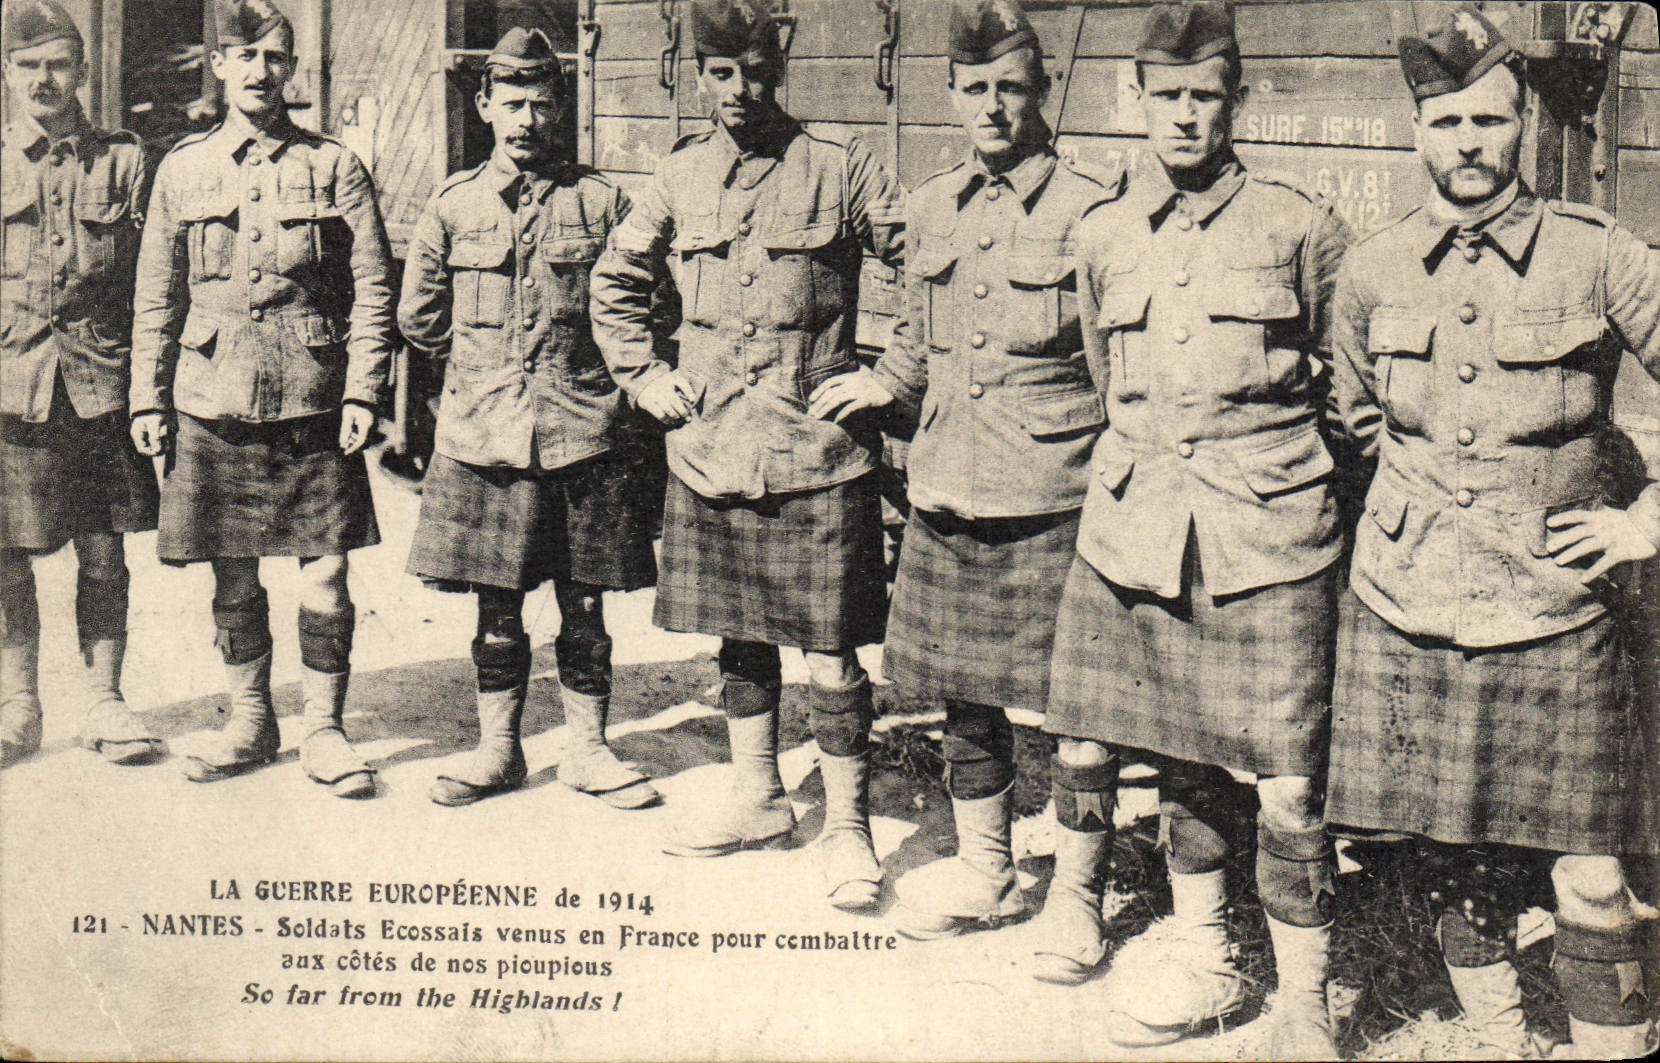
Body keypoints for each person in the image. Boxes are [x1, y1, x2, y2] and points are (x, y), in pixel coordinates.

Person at [1327, 6, 1660, 1057]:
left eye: (1489, 119)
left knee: (1590, 871)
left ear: (1523, 125)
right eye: (1446, 122)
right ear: (1416, 131)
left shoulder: (1595, 254)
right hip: (1409, 603)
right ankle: (1498, 1034)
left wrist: (1646, 518)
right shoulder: (1373, 266)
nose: (1467, 142)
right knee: (1450, 856)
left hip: (1554, 608)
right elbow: (1358, 421)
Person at [1039, 3, 1353, 1055]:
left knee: (1291, 783)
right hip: (1135, 529)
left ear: (1237, 102)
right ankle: (1206, 950)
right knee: (1165, 757)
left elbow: (1351, 394)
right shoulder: (1102, 231)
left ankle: (1306, 1000)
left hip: (1269, 537)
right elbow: (1106, 376)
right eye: (1165, 96)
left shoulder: (1299, 227)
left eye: (1204, 97)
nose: (1183, 116)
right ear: (1133, 99)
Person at [809, 0, 1118, 941]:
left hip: (1057, 495)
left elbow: (1119, 362)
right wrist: (883, 382)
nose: (992, 106)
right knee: (967, 701)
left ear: (1042, 91)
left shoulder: (1094, 208)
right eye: (975, 88)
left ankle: (1077, 895)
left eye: (1010, 88)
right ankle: (989, 868)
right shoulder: (931, 203)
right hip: (950, 486)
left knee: (1082, 714)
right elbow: (919, 334)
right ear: (950, 93)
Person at [591, 0, 904, 910]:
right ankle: (760, 799)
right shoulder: (678, 174)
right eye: (722, 74)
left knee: (833, 657)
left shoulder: (841, 167)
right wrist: (644, 377)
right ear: (699, 76)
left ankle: (848, 830)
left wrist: (891, 378)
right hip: (714, 448)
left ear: (780, 68)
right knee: (740, 640)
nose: (740, 90)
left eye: (756, 72)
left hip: (817, 454)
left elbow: (932, 271)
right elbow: (616, 281)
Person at [129, 0, 395, 798]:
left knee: (327, 575)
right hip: (212, 397)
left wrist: (365, 388)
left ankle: (325, 729)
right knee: (234, 576)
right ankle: (250, 718)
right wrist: (147, 398)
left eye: (274, 57)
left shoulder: (334, 166)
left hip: (313, 398)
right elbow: (155, 296)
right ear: (218, 64)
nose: (259, 71)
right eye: (244, 56)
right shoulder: (182, 169)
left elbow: (374, 287)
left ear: (292, 68)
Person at [399, 26, 660, 810]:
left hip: (584, 435)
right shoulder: (452, 205)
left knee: (585, 605)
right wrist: (484, 373)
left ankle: (588, 749)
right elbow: (420, 318)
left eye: (541, 104)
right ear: (484, 105)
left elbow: (653, 306)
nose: (526, 120)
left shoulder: (603, 203)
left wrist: (589, 377)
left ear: (560, 108)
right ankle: (497, 750)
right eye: (511, 103)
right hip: (489, 438)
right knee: (497, 607)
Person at [0, 0, 163, 768]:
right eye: (28, 65)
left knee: (103, 550)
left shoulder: (123, 162)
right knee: (7, 553)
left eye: (58, 64)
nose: (44, 79)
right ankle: (18, 704)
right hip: (12, 383)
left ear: (84, 71)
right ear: (6, 72)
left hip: (99, 386)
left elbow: (156, 282)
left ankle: (105, 700)